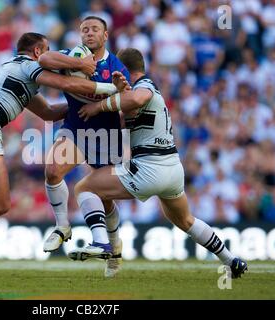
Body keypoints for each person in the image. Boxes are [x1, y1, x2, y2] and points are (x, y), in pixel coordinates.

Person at [0, 32, 125, 277]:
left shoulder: (16, 72)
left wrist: (85, 109)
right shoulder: (29, 65)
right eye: (48, 49)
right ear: (39, 52)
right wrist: (110, 91)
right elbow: (67, 84)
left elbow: (50, 112)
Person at [72, 48, 248, 279]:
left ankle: (105, 246)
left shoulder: (145, 86)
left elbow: (137, 98)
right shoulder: (138, 90)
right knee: (185, 220)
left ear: (124, 70)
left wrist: (98, 106)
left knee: (84, 188)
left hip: (149, 168)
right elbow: (125, 113)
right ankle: (230, 259)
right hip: (172, 169)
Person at [37, 16, 130, 278]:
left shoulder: (115, 65)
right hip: (75, 129)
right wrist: (79, 64)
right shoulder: (72, 56)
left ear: (106, 35)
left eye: (94, 29)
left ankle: (114, 246)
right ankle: (62, 226)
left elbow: (128, 99)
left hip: (106, 136)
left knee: (105, 199)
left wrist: (119, 93)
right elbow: (44, 60)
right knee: (53, 171)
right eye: (84, 30)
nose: (89, 33)